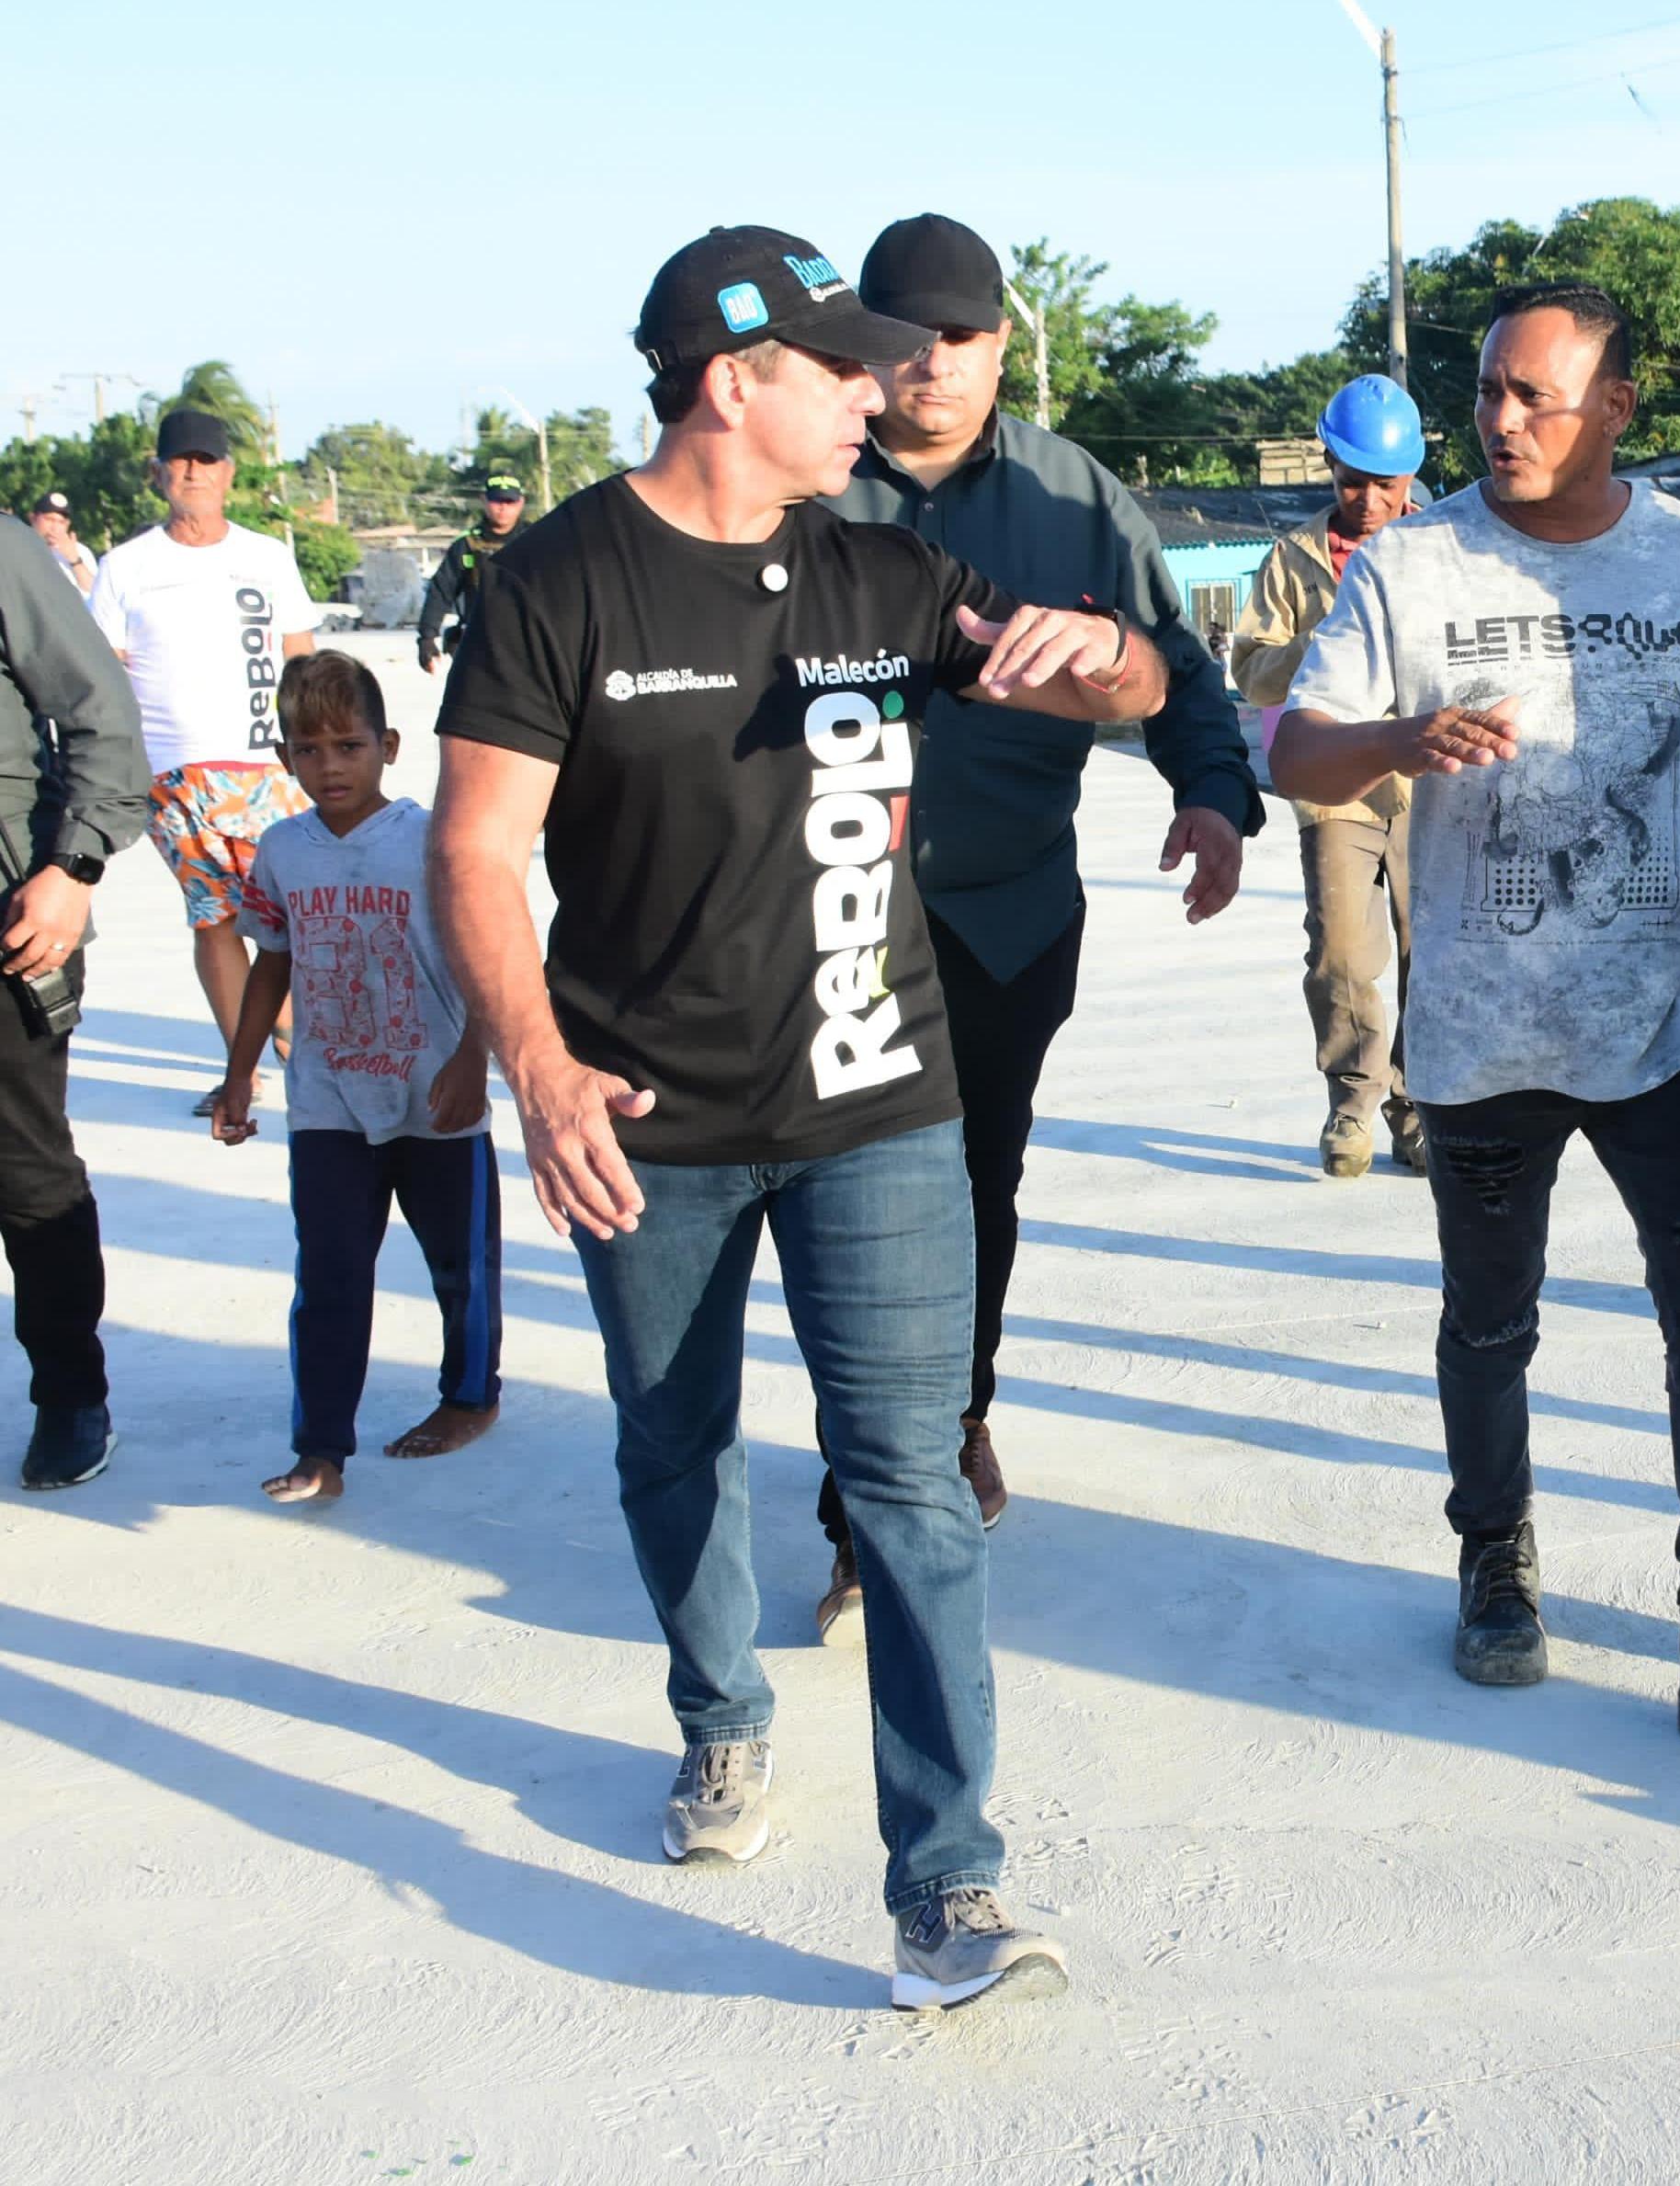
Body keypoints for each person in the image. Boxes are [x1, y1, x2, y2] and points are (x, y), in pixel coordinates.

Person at [430, 223, 1163, 2012]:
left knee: (909, 1476)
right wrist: (532, 1062)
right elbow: (472, 847)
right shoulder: (559, 584)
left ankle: (952, 1884)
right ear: (728, 379)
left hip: (879, 1099)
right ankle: (720, 1715)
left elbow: (1124, 691)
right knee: (674, 1445)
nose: (874, 388)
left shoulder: (880, 572)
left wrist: (1108, 659)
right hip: (647, 1114)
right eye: (837, 364)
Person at [1272, 282, 1680, 1750]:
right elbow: (1297, 753)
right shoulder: (1412, 563)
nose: (1504, 420)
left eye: (1538, 395)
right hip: (1483, 1031)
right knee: (1490, 1323)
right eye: (1488, 395)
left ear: (1617, 411)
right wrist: (1403, 736)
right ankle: (1496, 1564)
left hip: (1668, 1025)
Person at [813, 211, 1263, 1620]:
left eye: (963, 337)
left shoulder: (1072, 497)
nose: (933, 366)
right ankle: (868, 1497)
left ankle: (950, 1419)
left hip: (1005, 912)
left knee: (968, 1186)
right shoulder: (801, 482)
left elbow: (1177, 666)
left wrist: (1212, 796)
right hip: (823, 915)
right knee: (847, 1206)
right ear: (859, 352)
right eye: (905, 341)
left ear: (1003, 344)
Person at [210, 654, 501, 1504]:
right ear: (284, 756)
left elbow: (493, 949)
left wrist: (473, 1055)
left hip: (436, 1095)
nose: (330, 765)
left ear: (389, 746)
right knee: (330, 1270)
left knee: (461, 1265)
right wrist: (238, 1073)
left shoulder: (431, 837)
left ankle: (471, 1395)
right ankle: (322, 1449)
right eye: (309, 749)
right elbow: (272, 960)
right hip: (328, 1098)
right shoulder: (281, 851)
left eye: (349, 744)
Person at [83, 409, 320, 1099]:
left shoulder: (266, 557)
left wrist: (311, 753)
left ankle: (288, 1031)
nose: (193, 470)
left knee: (286, 918)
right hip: (175, 774)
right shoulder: (126, 567)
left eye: (206, 459)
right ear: (158, 473)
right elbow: (106, 677)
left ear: (228, 473)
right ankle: (242, 1068)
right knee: (214, 918)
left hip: (268, 769)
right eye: (179, 460)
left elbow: (300, 661)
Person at [1231, 373, 1426, 1179]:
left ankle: (1418, 1105)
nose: (1369, 498)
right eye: (1352, 480)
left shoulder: (1445, 546)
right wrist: (1321, 649)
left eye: (1386, 482)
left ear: (1411, 475)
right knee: (1342, 954)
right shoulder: (1295, 559)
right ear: (1328, 468)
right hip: (1335, 786)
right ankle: (1353, 1102)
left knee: (1433, 952)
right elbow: (1248, 666)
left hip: (1434, 784)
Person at [1, 522, 151, 1491]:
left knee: (22, 1165)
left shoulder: (6, 553)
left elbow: (103, 716)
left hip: (12, 919)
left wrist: (72, 868)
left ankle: (69, 1391)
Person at [413, 473, 528, 671]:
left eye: (510, 501)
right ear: (484, 500)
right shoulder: (466, 545)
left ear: (520, 503)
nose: (503, 507)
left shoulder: (536, 540)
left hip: (526, 643)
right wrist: (427, 638)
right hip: (478, 644)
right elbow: (441, 591)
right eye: (497, 500)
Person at [28, 495, 96, 596]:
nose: (55, 528)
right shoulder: (19, 547)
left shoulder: (81, 551)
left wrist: (74, 560)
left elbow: (95, 591)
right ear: (33, 518)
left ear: (68, 524)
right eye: (49, 519)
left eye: (61, 522)